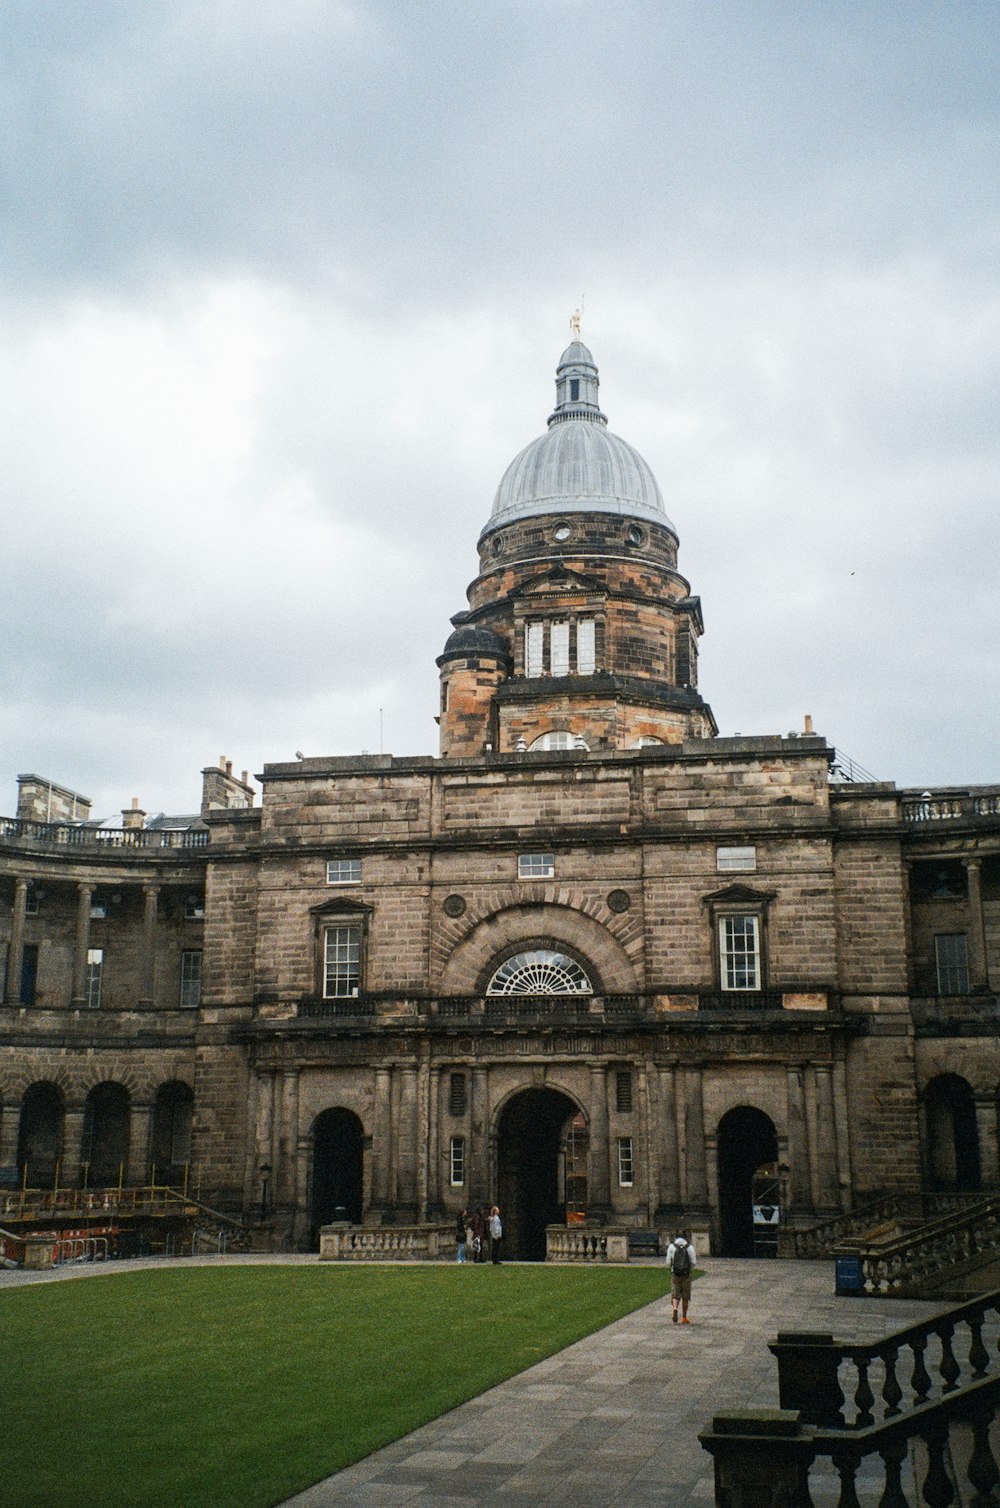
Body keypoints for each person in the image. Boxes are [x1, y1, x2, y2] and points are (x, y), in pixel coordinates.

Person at [666, 1231, 696, 1324]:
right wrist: (689, 1269)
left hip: (675, 1273)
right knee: (685, 1296)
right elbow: (693, 1262)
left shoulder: (671, 1247)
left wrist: (672, 1268)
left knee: (676, 1293)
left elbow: (668, 1262)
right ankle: (684, 1317)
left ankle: (675, 1309)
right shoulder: (690, 1247)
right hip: (686, 1274)